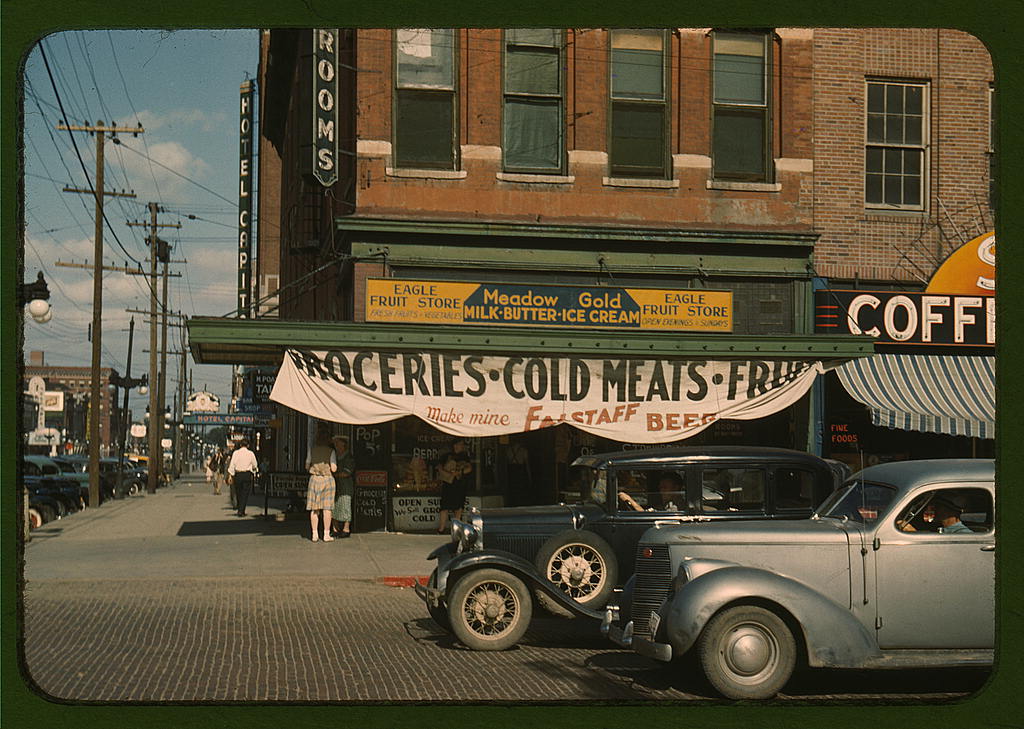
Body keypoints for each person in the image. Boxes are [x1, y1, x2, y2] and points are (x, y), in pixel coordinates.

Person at [305, 425, 337, 542]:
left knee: (314, 508)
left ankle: (314, 534)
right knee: (327, 508)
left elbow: (307, 466)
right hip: (327, 480)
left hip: (314, 479)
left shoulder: (312, 449)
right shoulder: (331, 451)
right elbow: (334, 468)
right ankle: (326, 534)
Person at [436, 438, 472, 533]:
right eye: (456, 444)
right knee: (444, 507)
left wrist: (459, 472)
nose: (458, 446)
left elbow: (469, 468)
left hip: (460, 485)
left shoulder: (465, 457)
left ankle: (456, 529)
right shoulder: (447, 456)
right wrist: (448, 473)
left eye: (460, 445)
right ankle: (441, 529)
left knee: (458, 507)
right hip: (448, 484)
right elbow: (439, 467)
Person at [898, 493, 973, 534]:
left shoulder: (963, 533)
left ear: (949, 510)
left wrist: (914, 534)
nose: (932, 509)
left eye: (937, 506)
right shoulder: (942, 529)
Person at [330, 434, 354, 538]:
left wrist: (335, 474)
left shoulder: (348, 457)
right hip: (336, 484)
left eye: (338, 443)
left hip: (345, 485)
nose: (336, 446)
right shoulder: (335, 455)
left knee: (345, 505)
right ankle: (335, 528)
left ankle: (346, 528)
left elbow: (347, 472)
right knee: (333, 505)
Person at [226, 439, 258, 517]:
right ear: (248, 445)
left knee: (238, 492)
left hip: (238, 474)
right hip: (247, 474)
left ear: (240, 445)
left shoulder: (236, 453)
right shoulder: (251, 453)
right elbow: (255, 464)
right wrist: (255, 470)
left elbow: (232, 464)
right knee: (245, 493)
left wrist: (230, 474)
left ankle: (240, 508)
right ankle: (241, 510)